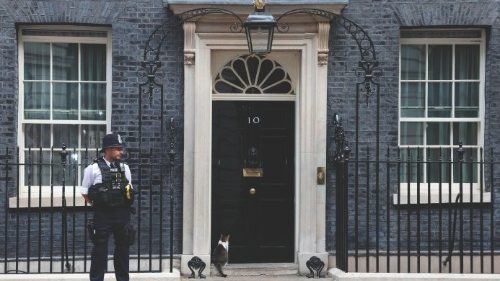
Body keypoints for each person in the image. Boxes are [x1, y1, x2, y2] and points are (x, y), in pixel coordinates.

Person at [81, 133, 135, 281]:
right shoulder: (92, 169)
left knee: (123, 250)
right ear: (108, 149)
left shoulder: (125, 168)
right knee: (99, 251)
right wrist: (100, 204)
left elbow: (129, 190)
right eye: (117, 149)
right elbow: (85, 192)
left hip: (122, 214)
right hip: (103, 214)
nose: (121, 152)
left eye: (120, 148)